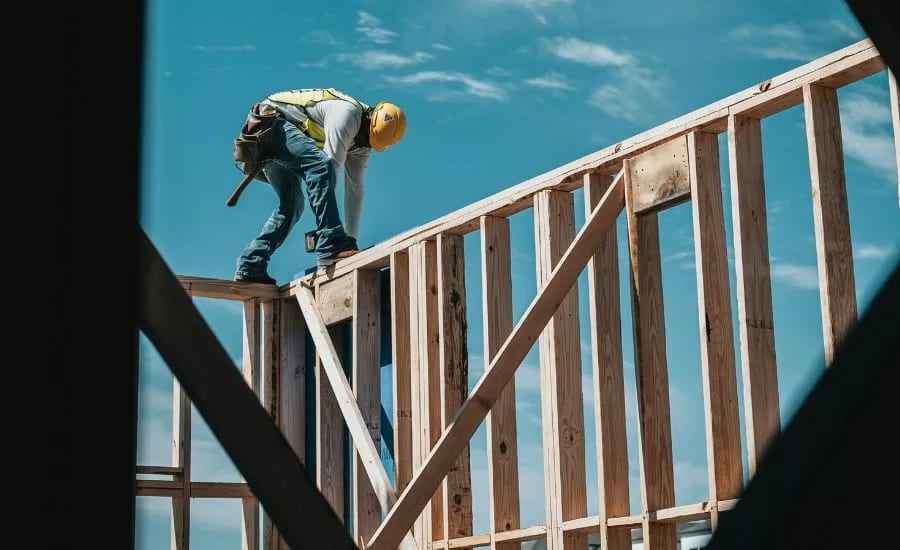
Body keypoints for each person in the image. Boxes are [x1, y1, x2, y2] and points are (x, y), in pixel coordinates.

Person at [234, 87, 407, 284]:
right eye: (366, 138)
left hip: (279, 136)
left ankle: (251, 264)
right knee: (321, 165)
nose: (364, 144)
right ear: (369, 118)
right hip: (268, 124)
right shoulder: (347, 114)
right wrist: (331, 239)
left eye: (370, 142)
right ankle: (330, 242)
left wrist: (351, 241)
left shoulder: (363, 144)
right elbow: (328, 169)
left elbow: (355, 190)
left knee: (292, 206)